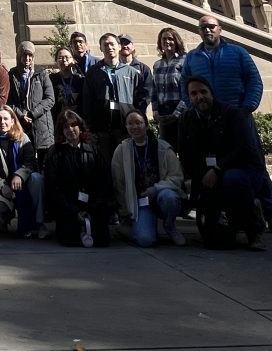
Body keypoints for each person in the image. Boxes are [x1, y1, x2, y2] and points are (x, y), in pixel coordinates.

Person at [178, 77, 267, 251]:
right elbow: (186, 156)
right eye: (194, 94)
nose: (200, 97)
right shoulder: (185, 120)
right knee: (215, 242)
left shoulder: (232, 114)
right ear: (189, 98)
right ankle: (230, 226)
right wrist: (197, 178)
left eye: (203, 91)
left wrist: (218, 170)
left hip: (241, 171)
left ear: (211, 93)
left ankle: (253, 229)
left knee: (232, 180)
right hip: (207, 175)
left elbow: (244, 149)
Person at [111, 109, 186, 247]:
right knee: (146, 240)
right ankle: (133, 228)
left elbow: (176, 177)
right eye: (130, 124)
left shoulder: (163, 148)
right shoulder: (121, 151)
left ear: (146, 124)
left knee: (169, 197)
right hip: (140, 203)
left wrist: (155, 189)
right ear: (126, 127)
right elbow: (118, 184)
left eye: (138, 123)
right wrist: (124, 212)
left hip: (160, 196)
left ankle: (170, 226)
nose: (134, 127)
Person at [44, 109, 112, 248]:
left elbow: (104, 182)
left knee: (102, 240)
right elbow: (54, 188)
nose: (70, 130)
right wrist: (75, 211)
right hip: (68, 208)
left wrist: (92, 208)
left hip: (93, 207)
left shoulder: (94, 150)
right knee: (70, 240)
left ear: (80, 127)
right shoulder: (55, 153)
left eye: (73, 125)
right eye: (65, 127)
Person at [82, 33, 147, 164]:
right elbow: (87, 100)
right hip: (102, 129)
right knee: (106, 165)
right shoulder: (93, 72)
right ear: (100, 48)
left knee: (127, 163)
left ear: (118, 47)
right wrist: (89, 126)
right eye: (105, 45)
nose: (109, 47)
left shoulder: (131, 72)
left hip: (125, 128)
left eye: (112, 44)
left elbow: (140, 98)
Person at [0, 106, 47, 238]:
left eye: (6, 118)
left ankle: (38, 223)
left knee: (37, 179)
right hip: (1, 187)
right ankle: (3, 219)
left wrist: (19, 175)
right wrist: (2, 185)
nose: (2, 122)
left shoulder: (23, 138)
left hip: (22, 184)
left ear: (13, 121)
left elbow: (31, 162)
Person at [180, 16, 263, 114]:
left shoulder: (238, 52)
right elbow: (184, 85)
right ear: (199, 31)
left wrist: (247, 108)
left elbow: (254, 81)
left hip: (236, 115)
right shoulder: (191, 56)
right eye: (203, 28)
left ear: (219, 29)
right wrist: (193, 109)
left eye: (211, 26)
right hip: (206, 119)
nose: (207, 30)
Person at [7, 41, 55, 168]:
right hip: (22, 125)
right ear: (19, 56)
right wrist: (22, 115)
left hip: (42, 126)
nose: (27, 59)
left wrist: (33, 114)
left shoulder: (42, 73)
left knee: (46, 164)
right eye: (24, 55)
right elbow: (9, 102)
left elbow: (50, 99)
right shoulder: (12, 75)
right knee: (27, 163)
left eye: (30, 55)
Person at [152, 27, 187, 150]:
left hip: (180, 111)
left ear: (176, 41)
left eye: (170, 39)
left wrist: (176, 113)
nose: (167, 42)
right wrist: (155, 112)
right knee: (166, 151)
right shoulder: (157, 64)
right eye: (164, 39)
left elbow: (187, 89)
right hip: (163, 112)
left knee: (184, 149)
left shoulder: (185, 60)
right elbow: (154, 90)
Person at [118, 34, 155, 110]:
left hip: (138, 113)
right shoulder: (113, 68)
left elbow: (148, 92)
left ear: (133, 46)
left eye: (127, 43)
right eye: (121, 43)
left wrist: (138, 110)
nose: (124, 46)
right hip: (118, 113)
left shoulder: (143, 69)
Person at [49, 46, 84, 126]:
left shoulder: (80, 79)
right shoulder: (51, 79)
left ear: (73, 60)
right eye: (60, 58)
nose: (64, 60)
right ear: (56, 61)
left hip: (78, 120)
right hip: (58, 121)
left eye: (67, 57)